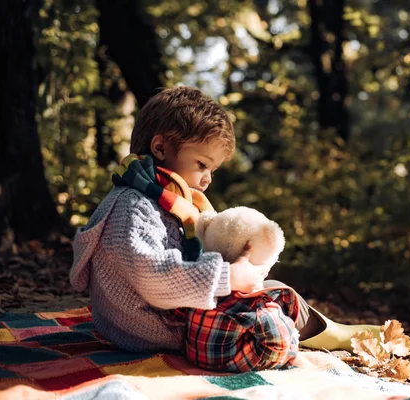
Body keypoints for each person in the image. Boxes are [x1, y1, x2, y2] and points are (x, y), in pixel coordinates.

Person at [70, 86, 380, 369]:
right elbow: (154, 278)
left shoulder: (165, 199)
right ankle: (316, 337)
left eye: (213, 170)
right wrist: (228, 276)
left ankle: (336, 333)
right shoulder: (132, 206)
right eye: (202, 165)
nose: (207, 180)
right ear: (161, 148)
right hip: (149, 331)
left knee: (276, 292)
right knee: (266, 318)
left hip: (170, 316)